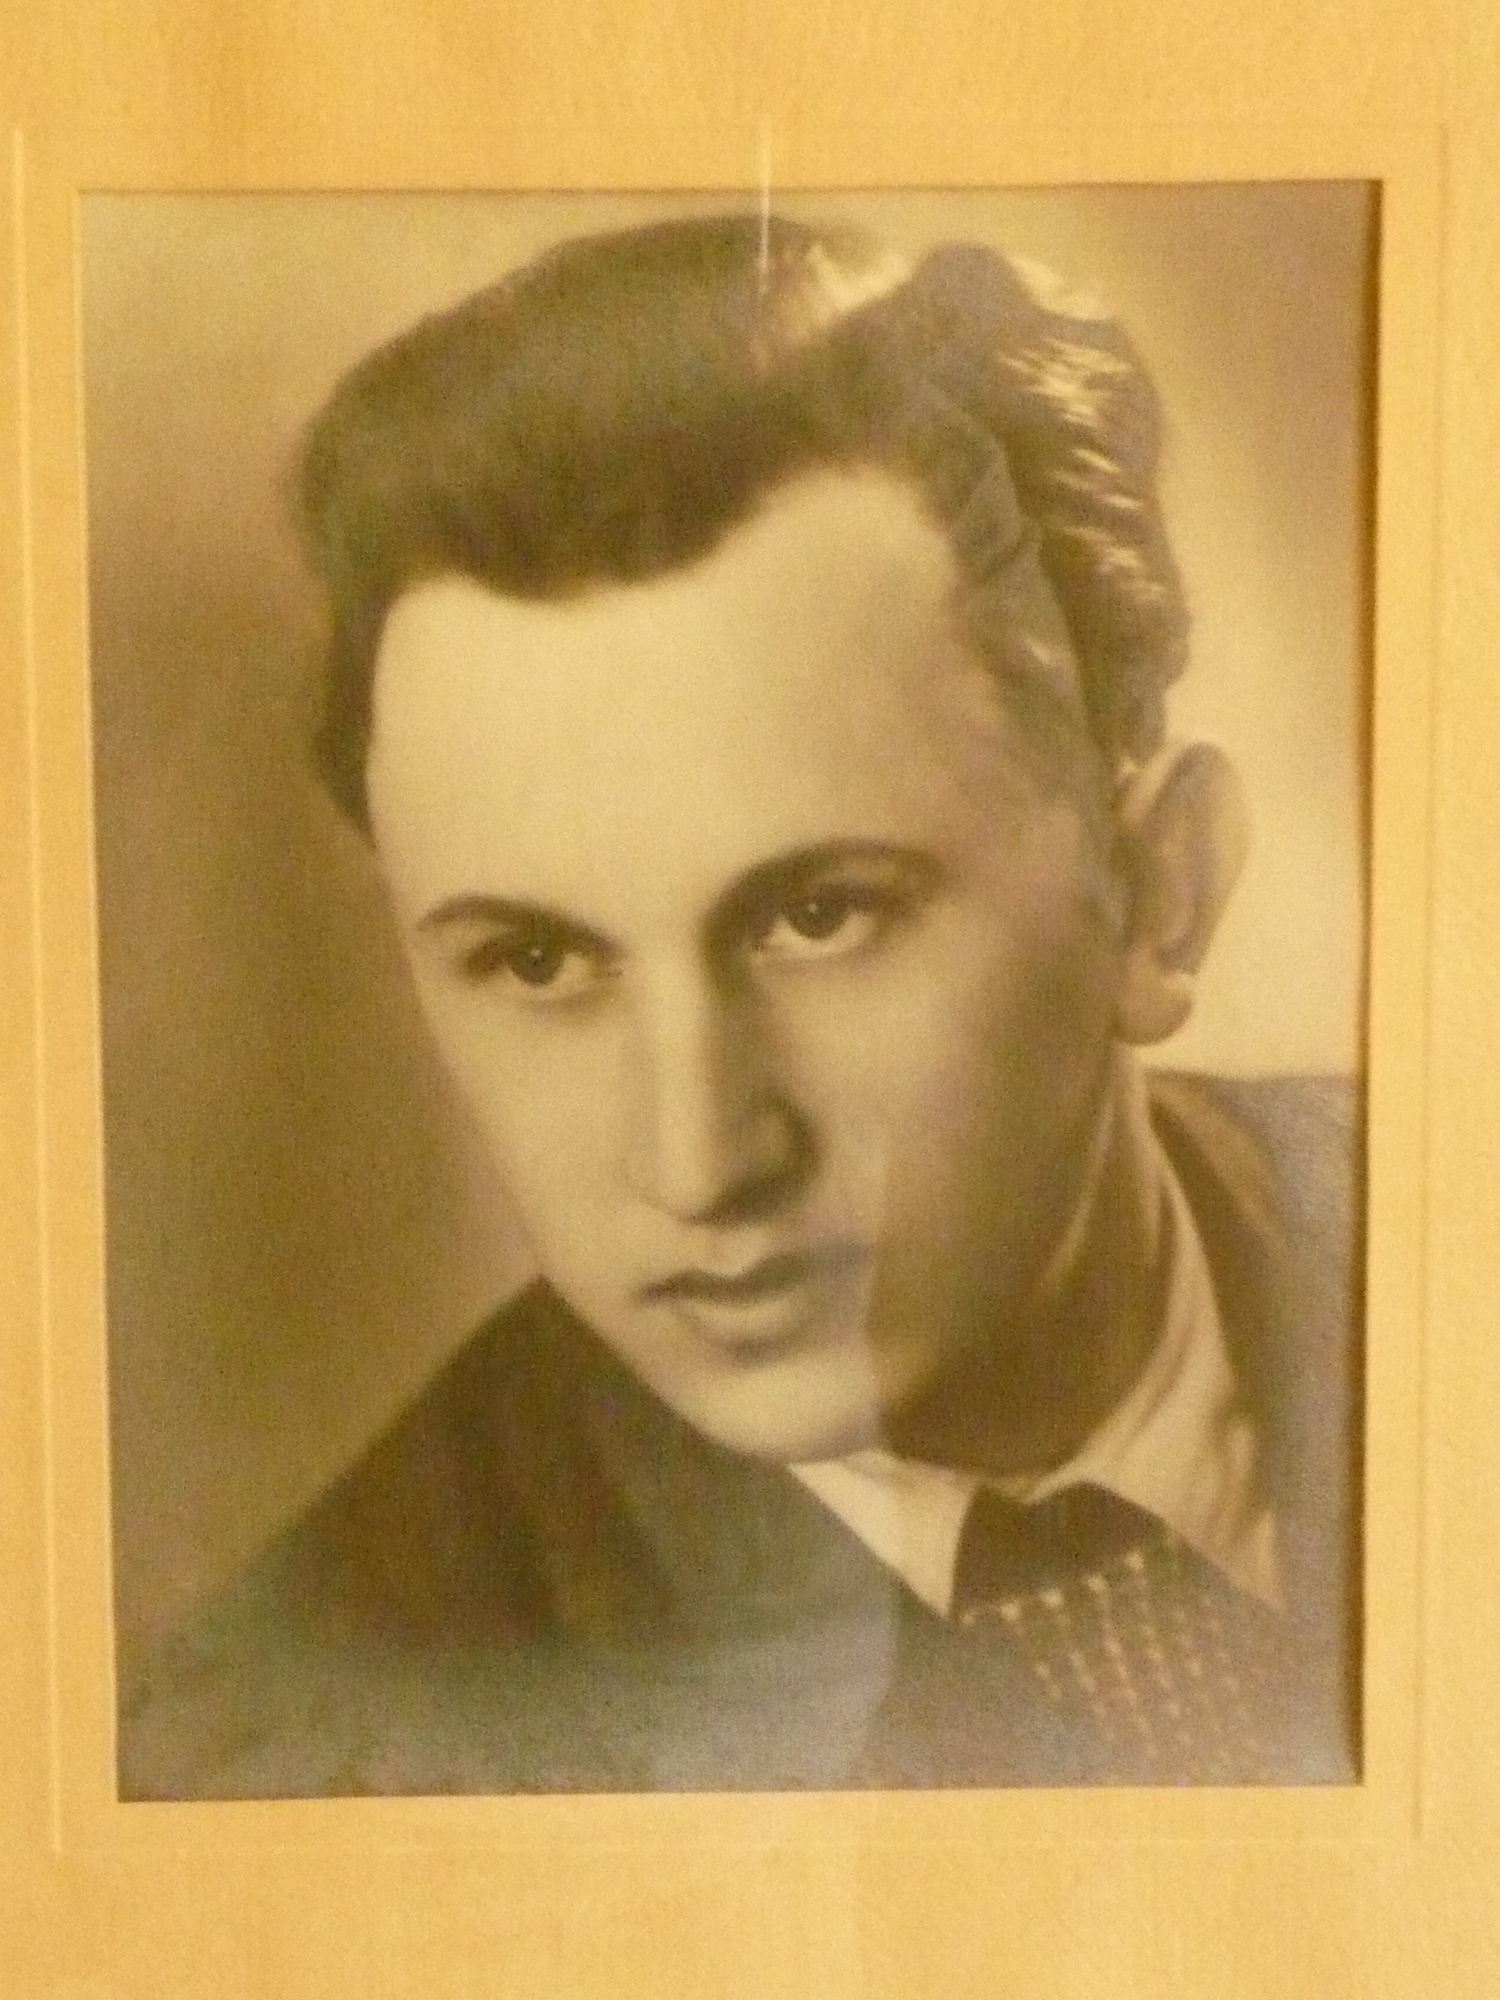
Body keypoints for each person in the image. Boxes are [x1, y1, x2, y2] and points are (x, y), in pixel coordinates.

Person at [118, 213, 1362, 1797]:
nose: (698, 1162)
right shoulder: (300, 1760)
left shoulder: (1433, 1239)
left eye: (818, 916)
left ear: (1159, 892)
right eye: (537, 960)